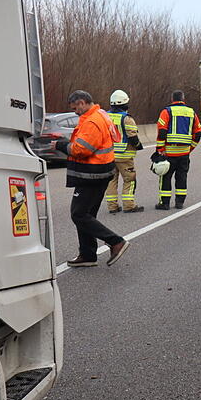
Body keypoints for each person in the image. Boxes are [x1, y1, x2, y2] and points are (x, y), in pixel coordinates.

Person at [55, 90, 130, 267]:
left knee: (79, 214)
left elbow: (81, 150)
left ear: (82, 103)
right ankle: (88, 254)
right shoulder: (101, 115)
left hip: (91, 174)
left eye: (75, 108)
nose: (75, 112)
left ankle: (115, 241)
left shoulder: (92, 121)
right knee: (87, 215)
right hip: (100, 172)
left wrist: (60, 145)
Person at [154, 90, 201, 210]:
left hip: (169, 152)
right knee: (182, 177)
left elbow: (162, 131)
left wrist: (160, 149)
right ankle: (179, 203)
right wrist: (191, 147)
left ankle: (164, 203)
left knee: (165, 178)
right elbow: (198, 132)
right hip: (184, 153)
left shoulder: (166, 112)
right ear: (183, 99)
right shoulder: (191, 112)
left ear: (172, 99)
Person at [105, 89, 144, 213]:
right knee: (129, 180)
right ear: (125, 104)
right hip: (124, 156)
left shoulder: (105, 117)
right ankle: (129, 205)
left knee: (111, 181)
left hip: (109, 155)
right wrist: (138, 146)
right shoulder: (127, 119)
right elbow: (133, 137)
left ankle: (112, 206)